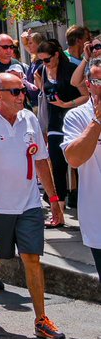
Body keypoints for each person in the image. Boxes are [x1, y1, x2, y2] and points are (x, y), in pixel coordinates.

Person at [0, 70, 66, 339]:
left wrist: (54, 200)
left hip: (29, 204)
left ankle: (41, 319)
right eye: (16, 92)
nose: (23, 96)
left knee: (32, 259)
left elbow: (42, 160)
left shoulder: (30, 119)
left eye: (23, 91)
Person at [62, 43, 101, 282]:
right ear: (88, 84)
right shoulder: (77, 116)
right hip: (97, 218)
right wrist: (96, 121)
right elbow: (74, 159)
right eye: (98, 82)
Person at [32, 38, 84, 210]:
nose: (45, 63)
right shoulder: (43, 70)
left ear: (56, 55)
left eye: (47, 59)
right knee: (57, 163)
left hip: (73, 120)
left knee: (76, 164)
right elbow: (37, 78)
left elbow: (86, 96)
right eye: (41, 60)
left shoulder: (70, 70)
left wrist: (67, 105)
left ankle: (81, 199)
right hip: (54, 122)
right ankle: (59, 206)